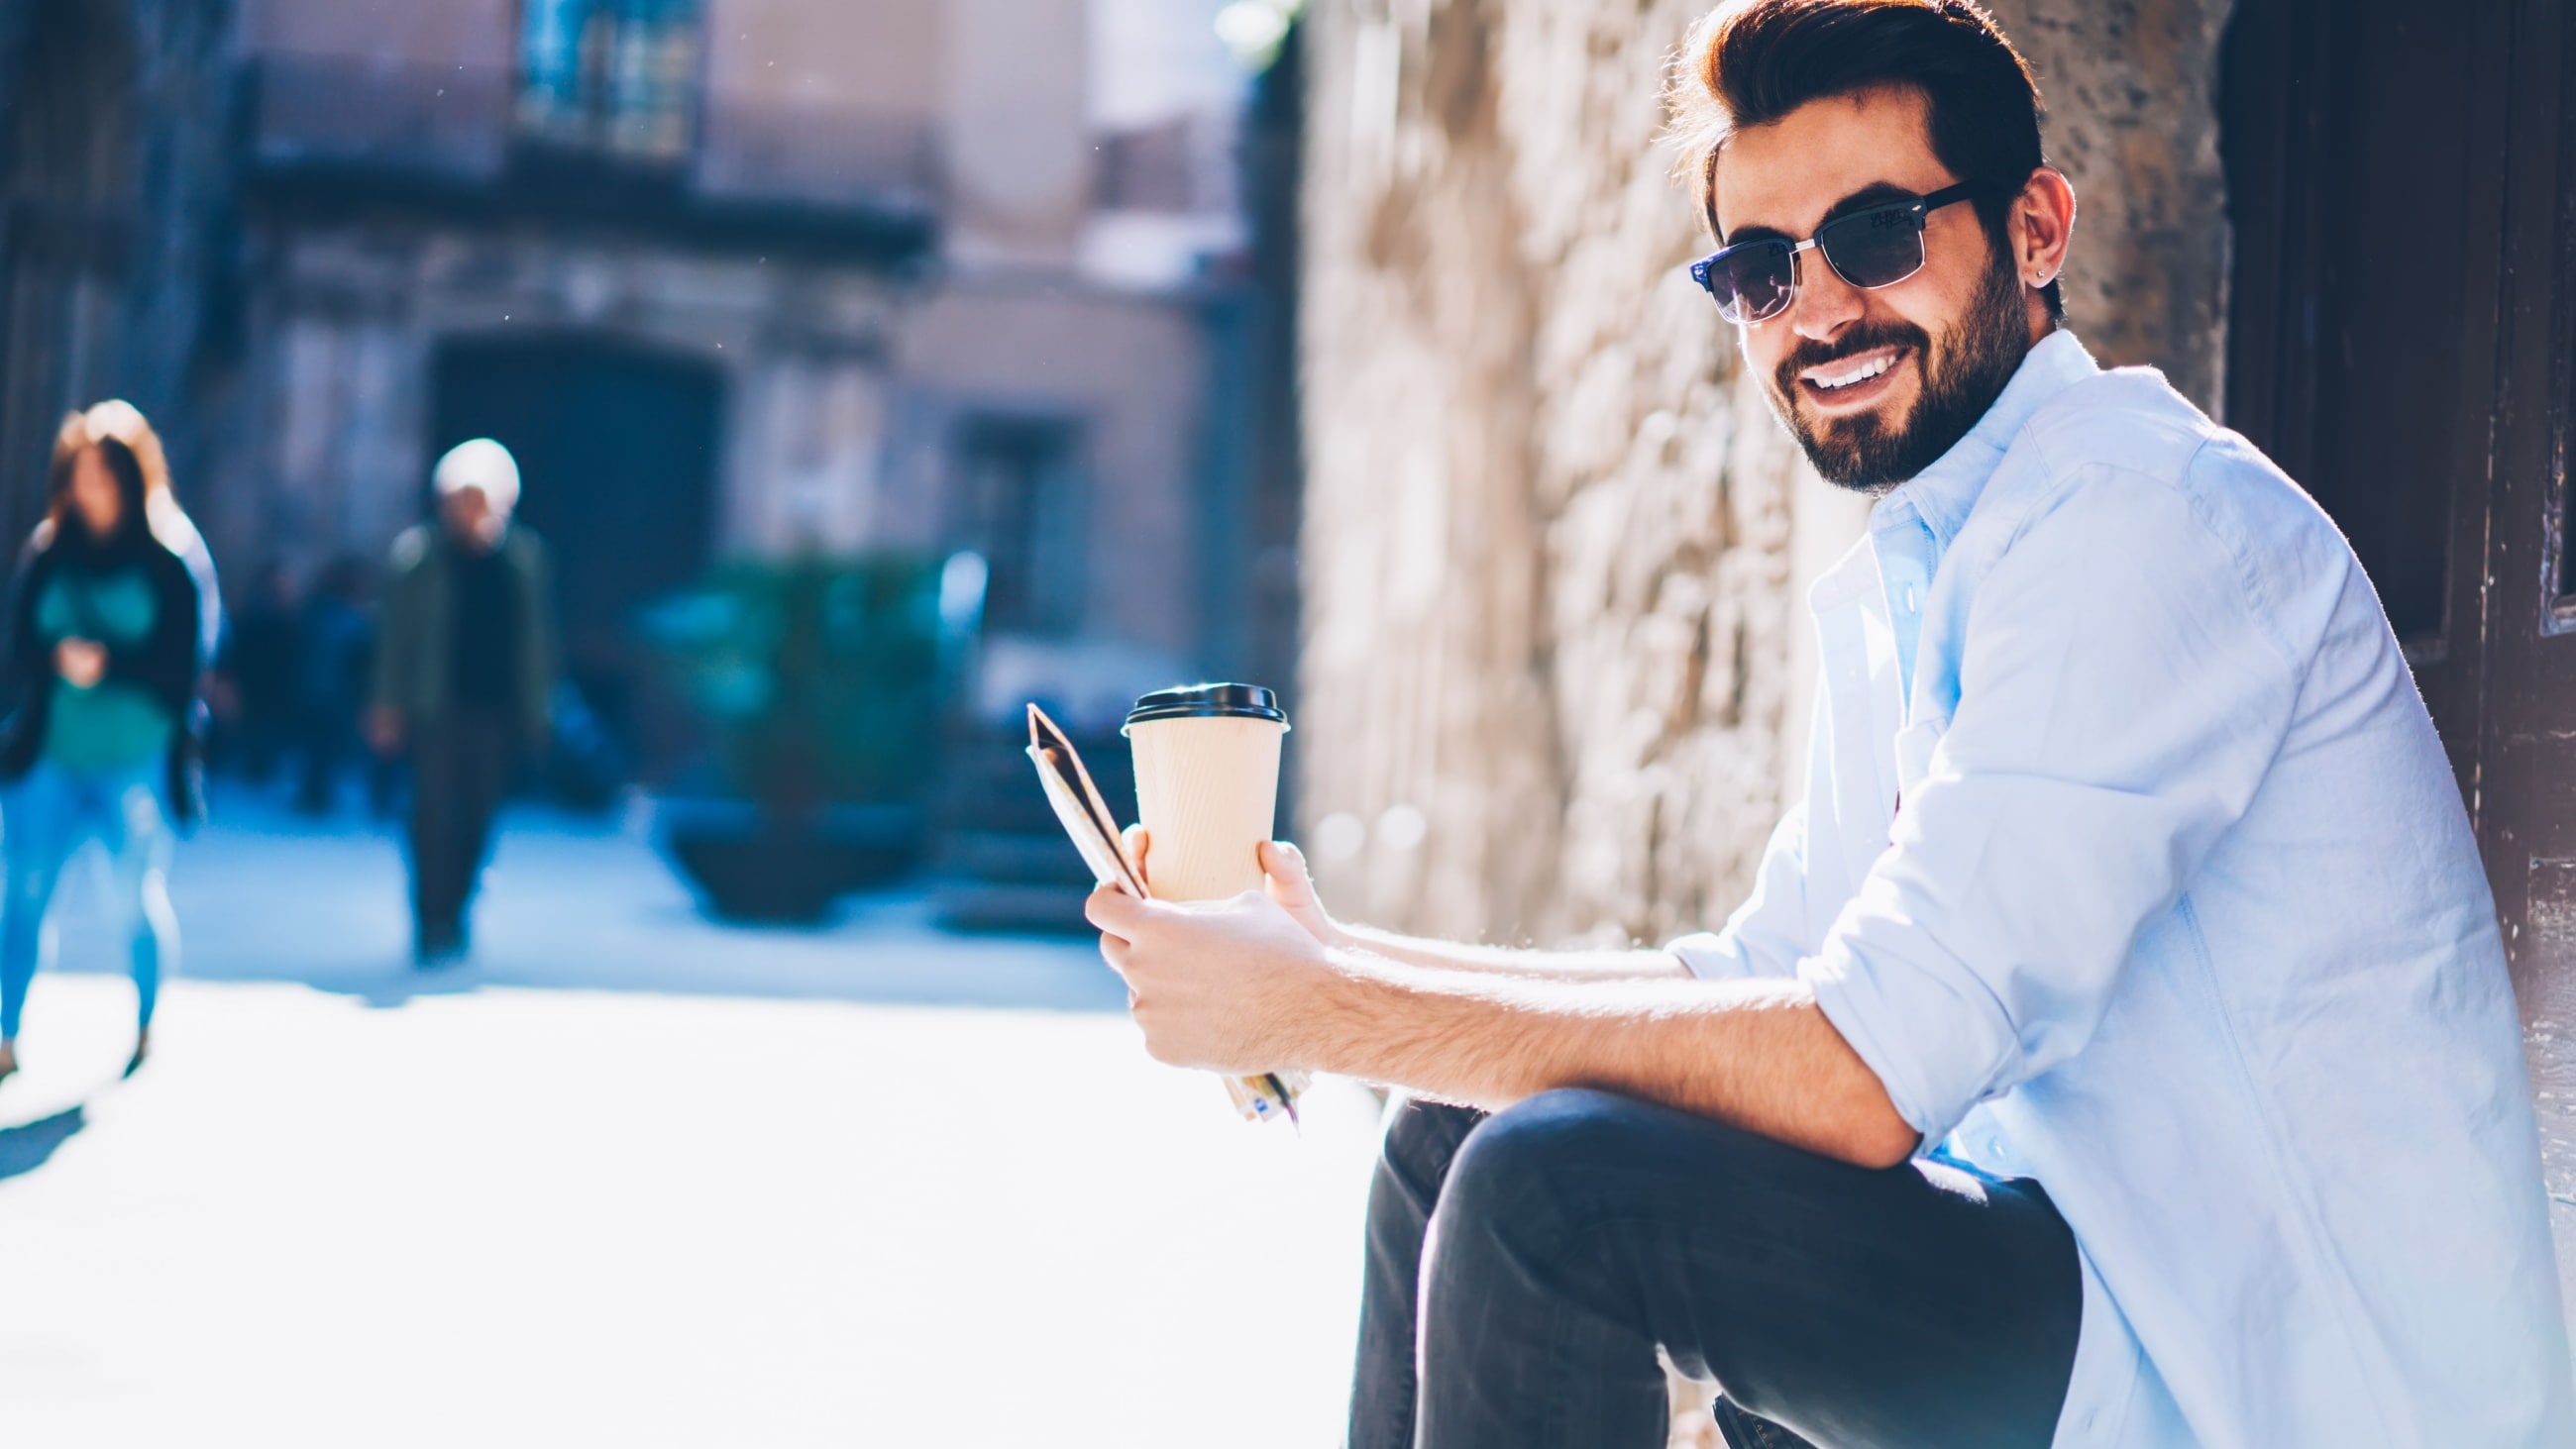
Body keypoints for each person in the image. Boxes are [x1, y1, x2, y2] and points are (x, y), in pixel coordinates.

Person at [1085, 3, 2576, 1447]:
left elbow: (1859, 1074)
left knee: (1556, 1191)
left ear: (2037, 228)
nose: (1819, 312)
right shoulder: (1933, 565)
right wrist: (1333, 962)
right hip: (2101, 1307)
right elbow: (1763, 978)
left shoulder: (2144, 518)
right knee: (1450, 1131)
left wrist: (1310, 1013)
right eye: (1758, 270)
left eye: (1876, 235)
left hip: (2282, 1384)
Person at [0, 404, 209, 1085]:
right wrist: (54, 659)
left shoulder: (168, 558)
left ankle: (145, 1021)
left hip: (134, 755)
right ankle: (5, 1031)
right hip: (54, 751)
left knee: (130, 896)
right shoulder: (49, 550)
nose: (90, 488)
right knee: (25, 892)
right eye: (80, 474)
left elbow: (184, 667)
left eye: (104, 475)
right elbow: (19, 646)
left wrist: (108, 664)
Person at [370, 439, 557, 967]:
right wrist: (387, 704)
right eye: (462, 499)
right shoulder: (418, 559)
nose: (471, 511)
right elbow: (395, 639)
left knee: (479, 815)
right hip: (436, 707)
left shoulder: (522, 561)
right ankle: (429, 915)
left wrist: (539, 708)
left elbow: (537, 641)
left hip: (494, 709)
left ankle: (458, 909)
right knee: (429, 814)